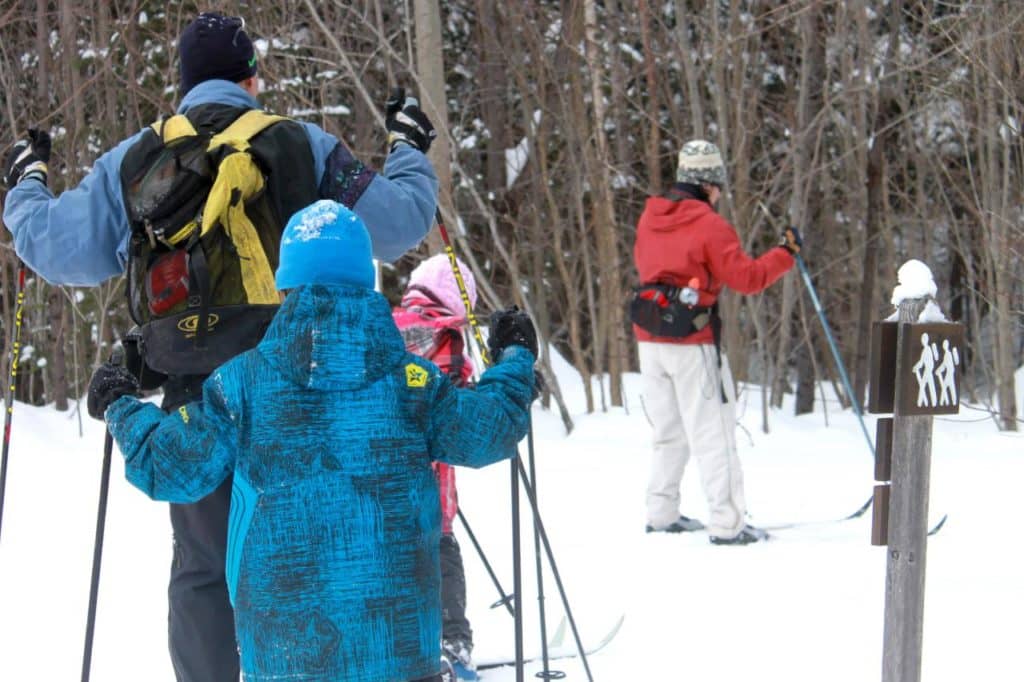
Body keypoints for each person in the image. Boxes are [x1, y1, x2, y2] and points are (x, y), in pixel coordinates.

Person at [3, 12, 438, 681]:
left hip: (193, 391)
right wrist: (408, 148)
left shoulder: (138, 158)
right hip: (302, 390)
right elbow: (401, 221)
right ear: (252, 77)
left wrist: (26, 183)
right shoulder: (298, 146)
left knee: (205, 568)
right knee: (312, 556)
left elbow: (56, 248)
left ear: (182, 85)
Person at [85, 200, 539, 682]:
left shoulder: (242, 385)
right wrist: (514, 357)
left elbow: (170, 465)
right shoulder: (413, 384)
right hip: (401, 656)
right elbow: (490, 428)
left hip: (287, 659)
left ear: (285, 284)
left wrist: (119, 403)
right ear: (367, 282)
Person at [631, 139, 802, 545]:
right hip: (693, 340)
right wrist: (786, 253)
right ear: (708, 183)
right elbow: (747, 279)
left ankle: (661, 512)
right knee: (714, 433)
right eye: (719, 185)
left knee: (668, 430)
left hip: (649, 340)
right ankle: (727, 524)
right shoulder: (709, 225)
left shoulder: (650, 217)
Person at [392, 254, 482, 679]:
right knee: (442, 552)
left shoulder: (386, 327)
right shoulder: (450, 342)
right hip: (433, 484)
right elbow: (460, 410)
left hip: (386, 486)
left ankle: (403, 642)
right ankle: (451, 640)